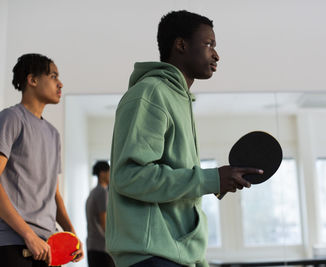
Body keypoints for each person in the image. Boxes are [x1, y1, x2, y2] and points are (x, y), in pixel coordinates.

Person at [105, 10, 263, 267]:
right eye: (208, 44)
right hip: (150, 256)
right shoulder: (151, 93)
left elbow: (180, 194)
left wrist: (198, 260)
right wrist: (212, 178)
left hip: (174, 255)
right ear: (181, 45)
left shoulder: (179, 99)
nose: (216, 54)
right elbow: (129, 177)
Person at [0, 53, 84, 266]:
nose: (60, 83)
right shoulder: (11, 118)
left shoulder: (53, 134)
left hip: (47, 246)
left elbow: (53, 194)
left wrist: (72, 235)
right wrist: (28, 235)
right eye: (54, 76)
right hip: (15, 244)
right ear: (33, 80)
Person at [86, 161, 115, 267]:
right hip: (102, 249)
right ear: (102, 173)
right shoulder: (102, 193)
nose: (110, 175)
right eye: (109, 172)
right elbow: (104, 222)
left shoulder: (92, 193)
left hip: (92, 247)